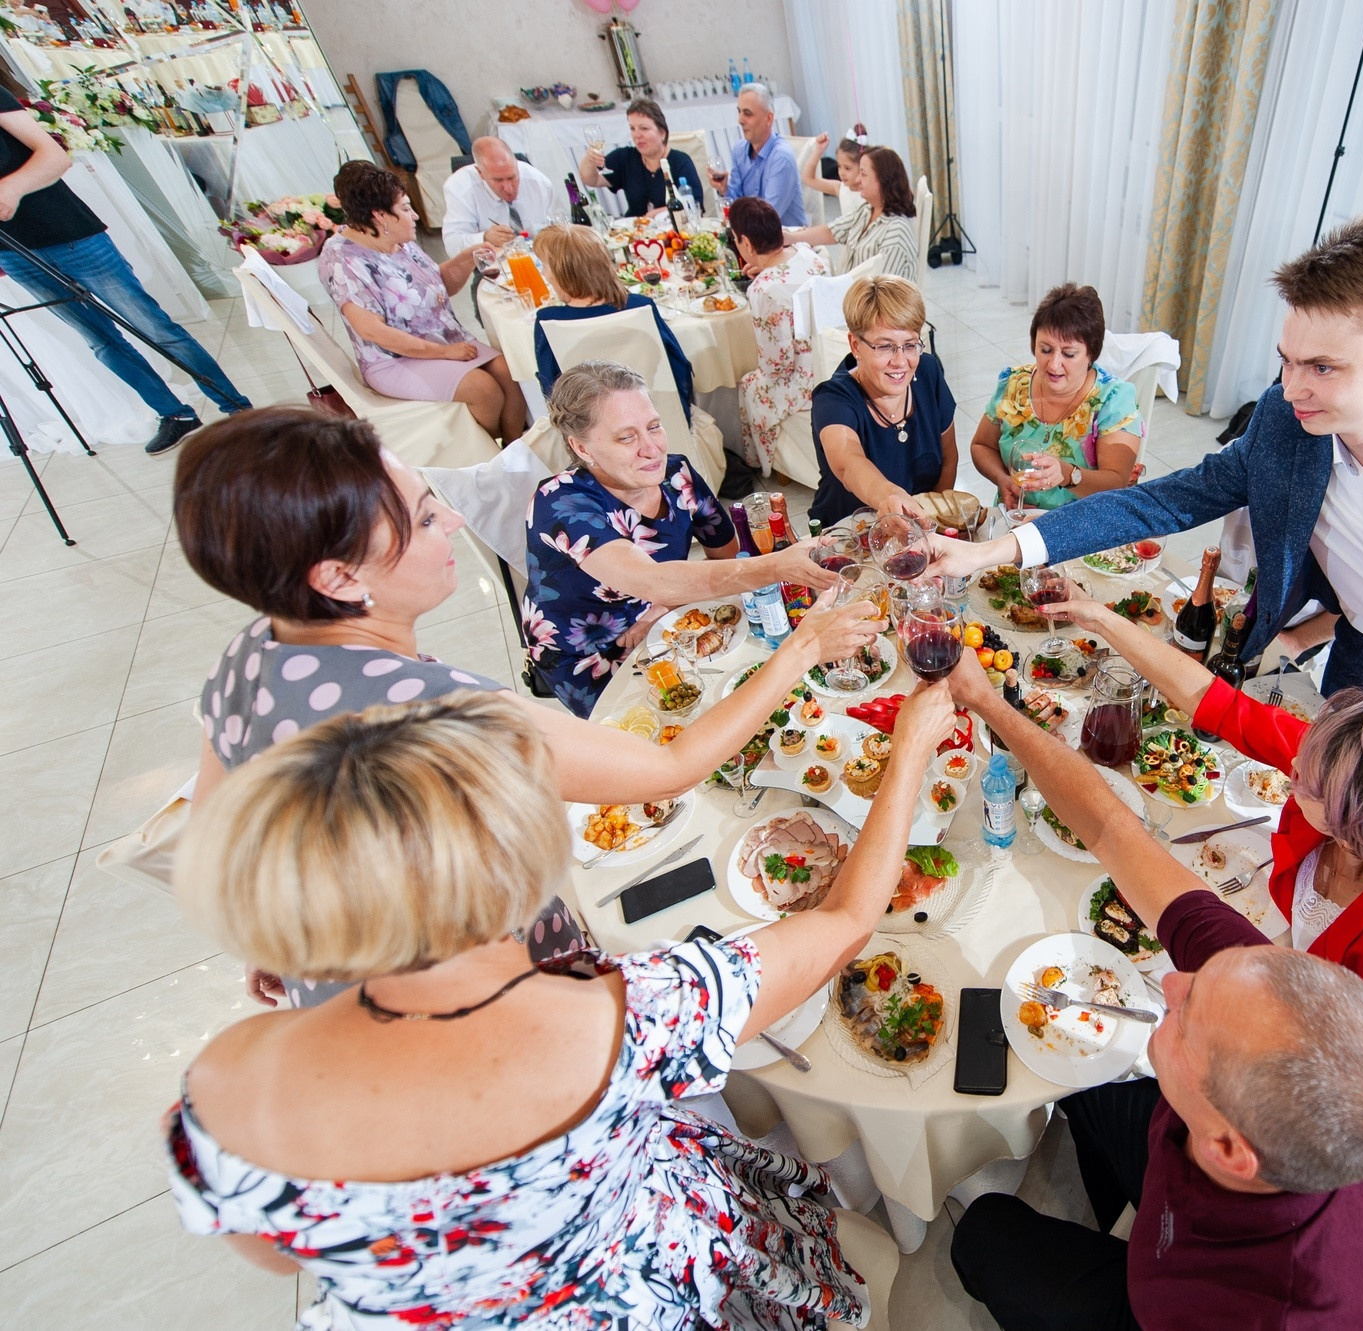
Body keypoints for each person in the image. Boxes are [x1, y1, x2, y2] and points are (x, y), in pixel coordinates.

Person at [165, 683, 958, 1328]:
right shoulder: (630, 1015)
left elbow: (274, 1251)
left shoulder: (226, 1079)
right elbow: (845, 921)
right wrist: (910, 752)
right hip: (658, 1292)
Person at [174, 407, 873, 1004]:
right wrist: (803, 647)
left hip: (334, 983)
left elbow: (220, 835)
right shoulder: (441, 716)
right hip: (478, 1004)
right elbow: (668, 768)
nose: (454, 519)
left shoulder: (249, 652)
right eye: (424, 517)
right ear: (337, 577)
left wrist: (275, 937)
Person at [929, 214, 1363, 750]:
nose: (1292, 388)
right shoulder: (1283, 421)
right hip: (1357, 669)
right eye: (1286, 360)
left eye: (1322, 367)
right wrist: (996, 551)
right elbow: (1163, 500)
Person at [943, 650, 1363, 1330]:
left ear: (1225, 1146)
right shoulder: (1259, 999)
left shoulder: (1252, 1311)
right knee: (1075, 1066)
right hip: (1201, 1167)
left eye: (1188, 1015)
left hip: (1152, 1305)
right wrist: (989, 703)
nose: (1171, 981)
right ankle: (1111, 1195)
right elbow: (1111, 827)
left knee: (983, 1233)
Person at [1047, 593, 1363, 1158]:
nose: (1290, 765)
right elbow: (1216, 703)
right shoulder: (1347, 774)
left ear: (1350, 828)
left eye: (1301, 782)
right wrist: (1099, 616)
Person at [527, 361, 846, 716]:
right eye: (626, 437)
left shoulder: (677, 475)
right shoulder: (559, 504)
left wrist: (665, 608)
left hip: (671, 621)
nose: (651, 448)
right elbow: (653, 581)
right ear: (582, 448)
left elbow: (727, 558)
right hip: (593, 657)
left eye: (653, 427)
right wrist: (775, 566)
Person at [0, 80, 249, 454]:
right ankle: (175, 414)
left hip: (70, 234)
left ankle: (237, 410)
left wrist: (10, 189)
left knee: (154, 328)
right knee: (100, 342)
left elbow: (54, 157)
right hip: (13, 253)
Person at [318, 160, 528, 440]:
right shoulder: (343, 260)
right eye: (406, 209)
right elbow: (372, 331)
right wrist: (444, 352)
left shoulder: (396, 238)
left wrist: (469, 257)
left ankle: (516, 450)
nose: (415, 215)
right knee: (484, 390)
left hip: (444, 340)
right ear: (380, 216)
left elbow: (438, 286)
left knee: (509, 372)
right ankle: (486, 453)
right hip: (394, 359)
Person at [968, 283, 1144, 511]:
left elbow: (1117, 482)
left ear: (1091, 354)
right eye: (1045, 350)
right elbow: (981, 446)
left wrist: (1069, 474)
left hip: (1080, 524)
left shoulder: (1113, 400)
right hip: (1016, 519)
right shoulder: (1015, 384)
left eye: (1069, 354)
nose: (1053, 364)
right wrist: (1003, 479)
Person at [808, 273, 957, 527]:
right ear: (856, 345)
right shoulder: (833, 399)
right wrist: (892, 499)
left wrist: (933, 525)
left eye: (909, 345)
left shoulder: (928, 371)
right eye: (885, 346)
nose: (900, 362)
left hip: (919, 530)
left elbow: (949, 458)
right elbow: (849, 464)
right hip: (851, 534)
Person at [529, 223, 696, 417]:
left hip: (592, 427)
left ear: (563, 272)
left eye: (545, 266)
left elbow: (551, 390)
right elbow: (678, 367)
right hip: (656, 417)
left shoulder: (548, 320)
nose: (543, 273)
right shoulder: (641, 305)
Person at [729, 195, 828, 471]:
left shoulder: (764, 290)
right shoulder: (808, 254)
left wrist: (763, 278)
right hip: (831, 358)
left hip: (805, 380)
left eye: (736, 240)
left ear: (746, 243)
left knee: (749, 383)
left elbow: (777, 366)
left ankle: (762, 462)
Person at [782, 145, 920, 282]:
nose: (858, 180)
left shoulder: (896, 232)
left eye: (863, 174)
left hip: (865, 294)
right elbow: (833, 231)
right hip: (850, 289)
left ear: (883, 180)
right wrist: (791, 238)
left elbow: (882, 291)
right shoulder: (867, 210)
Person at [579, 97, 704, 220]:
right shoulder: (625, 157)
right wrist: (589, 159)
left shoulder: (680, 162)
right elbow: (591, 180)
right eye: (632, 128)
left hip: (673, 229)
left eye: (644, 128)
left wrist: (654, 215)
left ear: (662, 133)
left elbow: (694, 206)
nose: (637, 135)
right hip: (634, 229)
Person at [709, 82, 807, 228]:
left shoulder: (781, 157)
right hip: (753, 234)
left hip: (785, 236)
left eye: (747, 113)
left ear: (769, 118)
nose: (740, 120)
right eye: (739, 112)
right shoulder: (739, 150)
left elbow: (768, 219)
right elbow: (736, 203)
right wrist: (724, 189)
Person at [440, 135, 558, 254]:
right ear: (480, 173)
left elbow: (560, 226)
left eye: (512, 177)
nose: (508, 188)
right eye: (498, 180)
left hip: (540, 256)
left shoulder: (539, 182)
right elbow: (452, 245)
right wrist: (484, 238)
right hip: (491, 260)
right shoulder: (460, 189)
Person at [803, 123, 869, 215]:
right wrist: (818, 150)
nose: (842, 173)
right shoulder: (840, 188)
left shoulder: (871, 192)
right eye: (839, 166)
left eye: (847, 168)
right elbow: (808, 178)